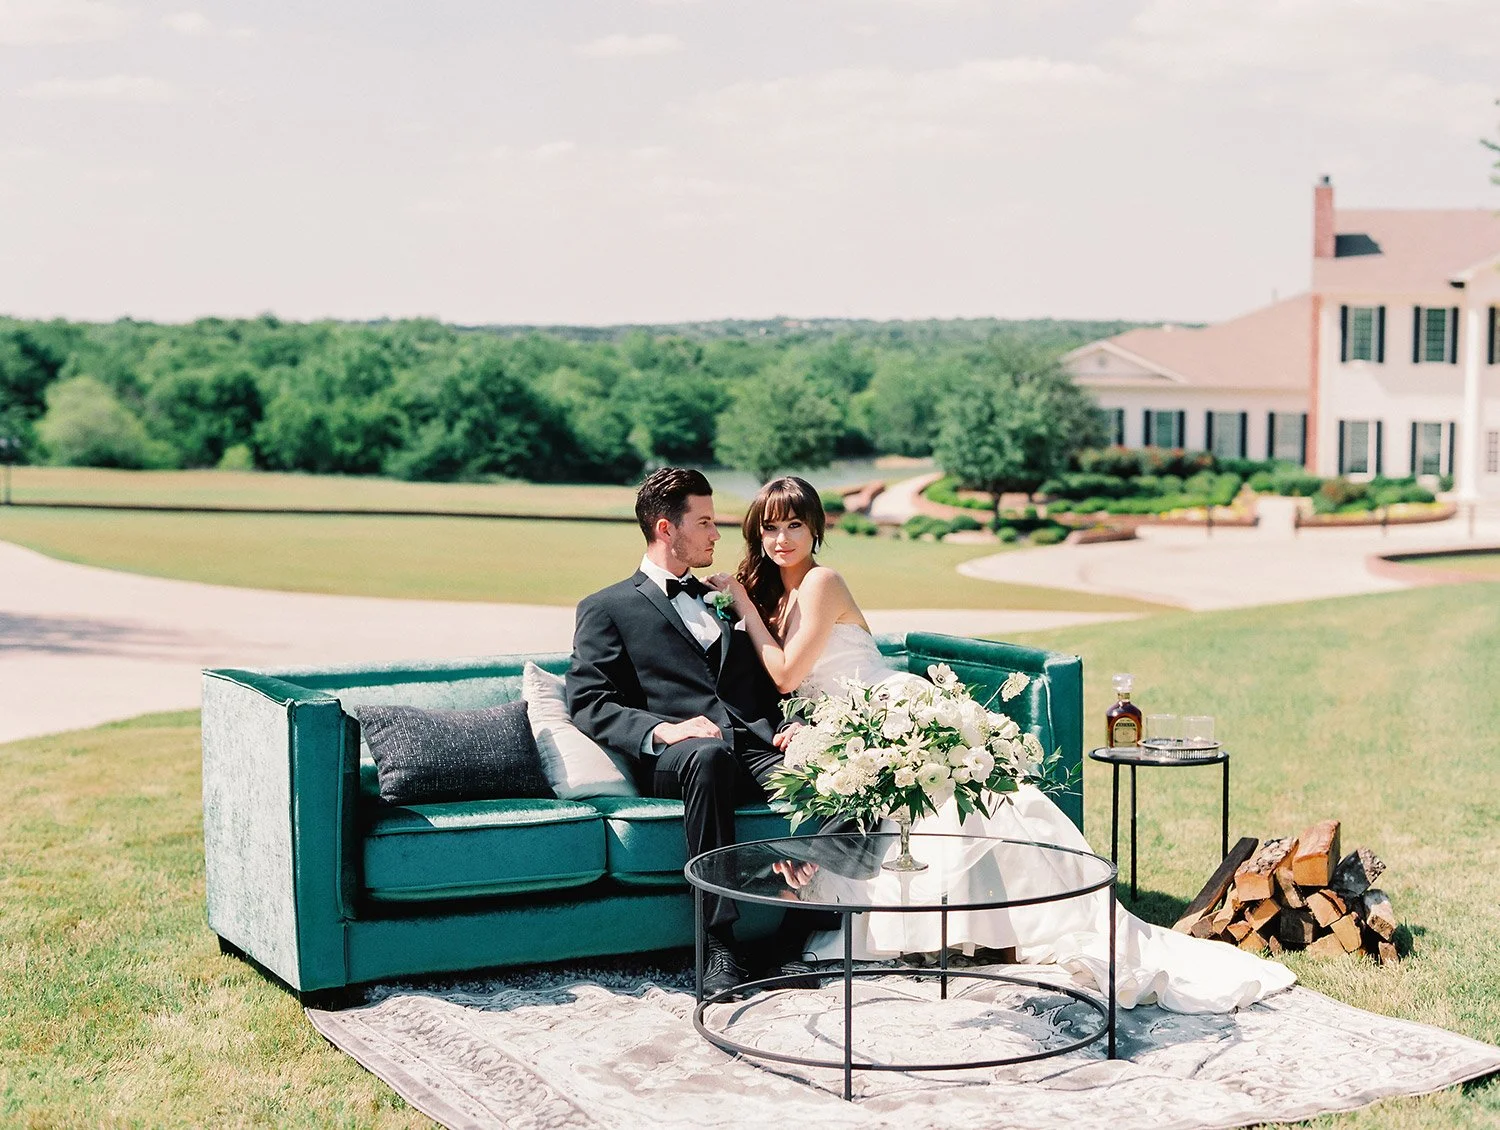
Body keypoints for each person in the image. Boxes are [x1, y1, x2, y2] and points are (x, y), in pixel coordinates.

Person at [707, 475, 1297, 1013]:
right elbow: (793, 688)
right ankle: (907, 929)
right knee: (879, 807)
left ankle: (997, 926)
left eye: (794, 525)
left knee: (941, 807)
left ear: (816, 531)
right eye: (770, 526)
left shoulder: (820, 581)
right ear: (756, 531)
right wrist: (799, 717)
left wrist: (739, 598)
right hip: (840, 724)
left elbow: (785, 670)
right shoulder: (777, 595)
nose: (781, 538)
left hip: (885, 707)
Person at [566, 467, 800, 998]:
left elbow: (759, 687)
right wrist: (664, 730)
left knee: (835, 780)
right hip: (681, 762)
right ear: (667, 529)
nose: (718, 534)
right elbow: (587, 702)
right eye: (706, 522)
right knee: (708, 757)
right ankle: (719, 943)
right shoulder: (606, 608)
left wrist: (793, 726)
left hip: (750, 750)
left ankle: (797, 935)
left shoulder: (722, 597)